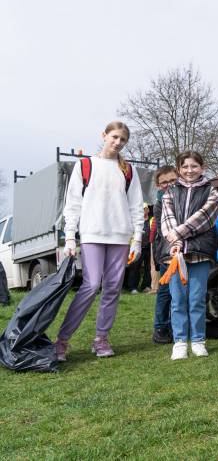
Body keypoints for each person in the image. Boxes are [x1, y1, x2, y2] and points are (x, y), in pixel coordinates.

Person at [54, 121, 145, 361]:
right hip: (92, 234)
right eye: (114, 137)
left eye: (122, 139)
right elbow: (73, 203)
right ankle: (62, 340)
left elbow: (136, 206)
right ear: (104, 135)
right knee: (91, 285)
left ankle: (101, 339)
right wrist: (70, 237)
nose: (118, 142)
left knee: (113, 288)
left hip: (120, 236)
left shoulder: (128, 170)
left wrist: (137, 239)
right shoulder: (85, 165)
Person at [161, 151, 218, 359]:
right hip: (175, 254)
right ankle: (179, 341)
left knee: (197, 299)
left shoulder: (212, 192)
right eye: (185, 166)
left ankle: (198, 340)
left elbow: (205, 218)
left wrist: (178, 233)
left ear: (202, 168)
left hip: (200, 253)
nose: (189, 170)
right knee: (177, 299)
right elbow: (166, 219)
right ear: (179, 169)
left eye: (194, 166)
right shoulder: (170, 192)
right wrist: (176, 242)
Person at [151, 165, 177, 344]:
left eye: (172, 180)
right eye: (164, 182)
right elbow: (164, 231)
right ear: (158, 185)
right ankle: (160, 327)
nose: (169, 184)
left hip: (184, 249)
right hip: (167, 251)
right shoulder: (160, 204)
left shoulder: (183, 196)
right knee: (166, 291)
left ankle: (175, 325)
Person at [124, 203, 152, 294]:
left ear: (148, 210)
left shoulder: (151, 220)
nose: (144, 211)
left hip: (149, 248)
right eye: (142, 209)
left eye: (145, 209)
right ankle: (133, 287)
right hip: (137, 247)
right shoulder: (136, 222)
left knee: (148, 268)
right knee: (135, 268)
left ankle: (146, 286)